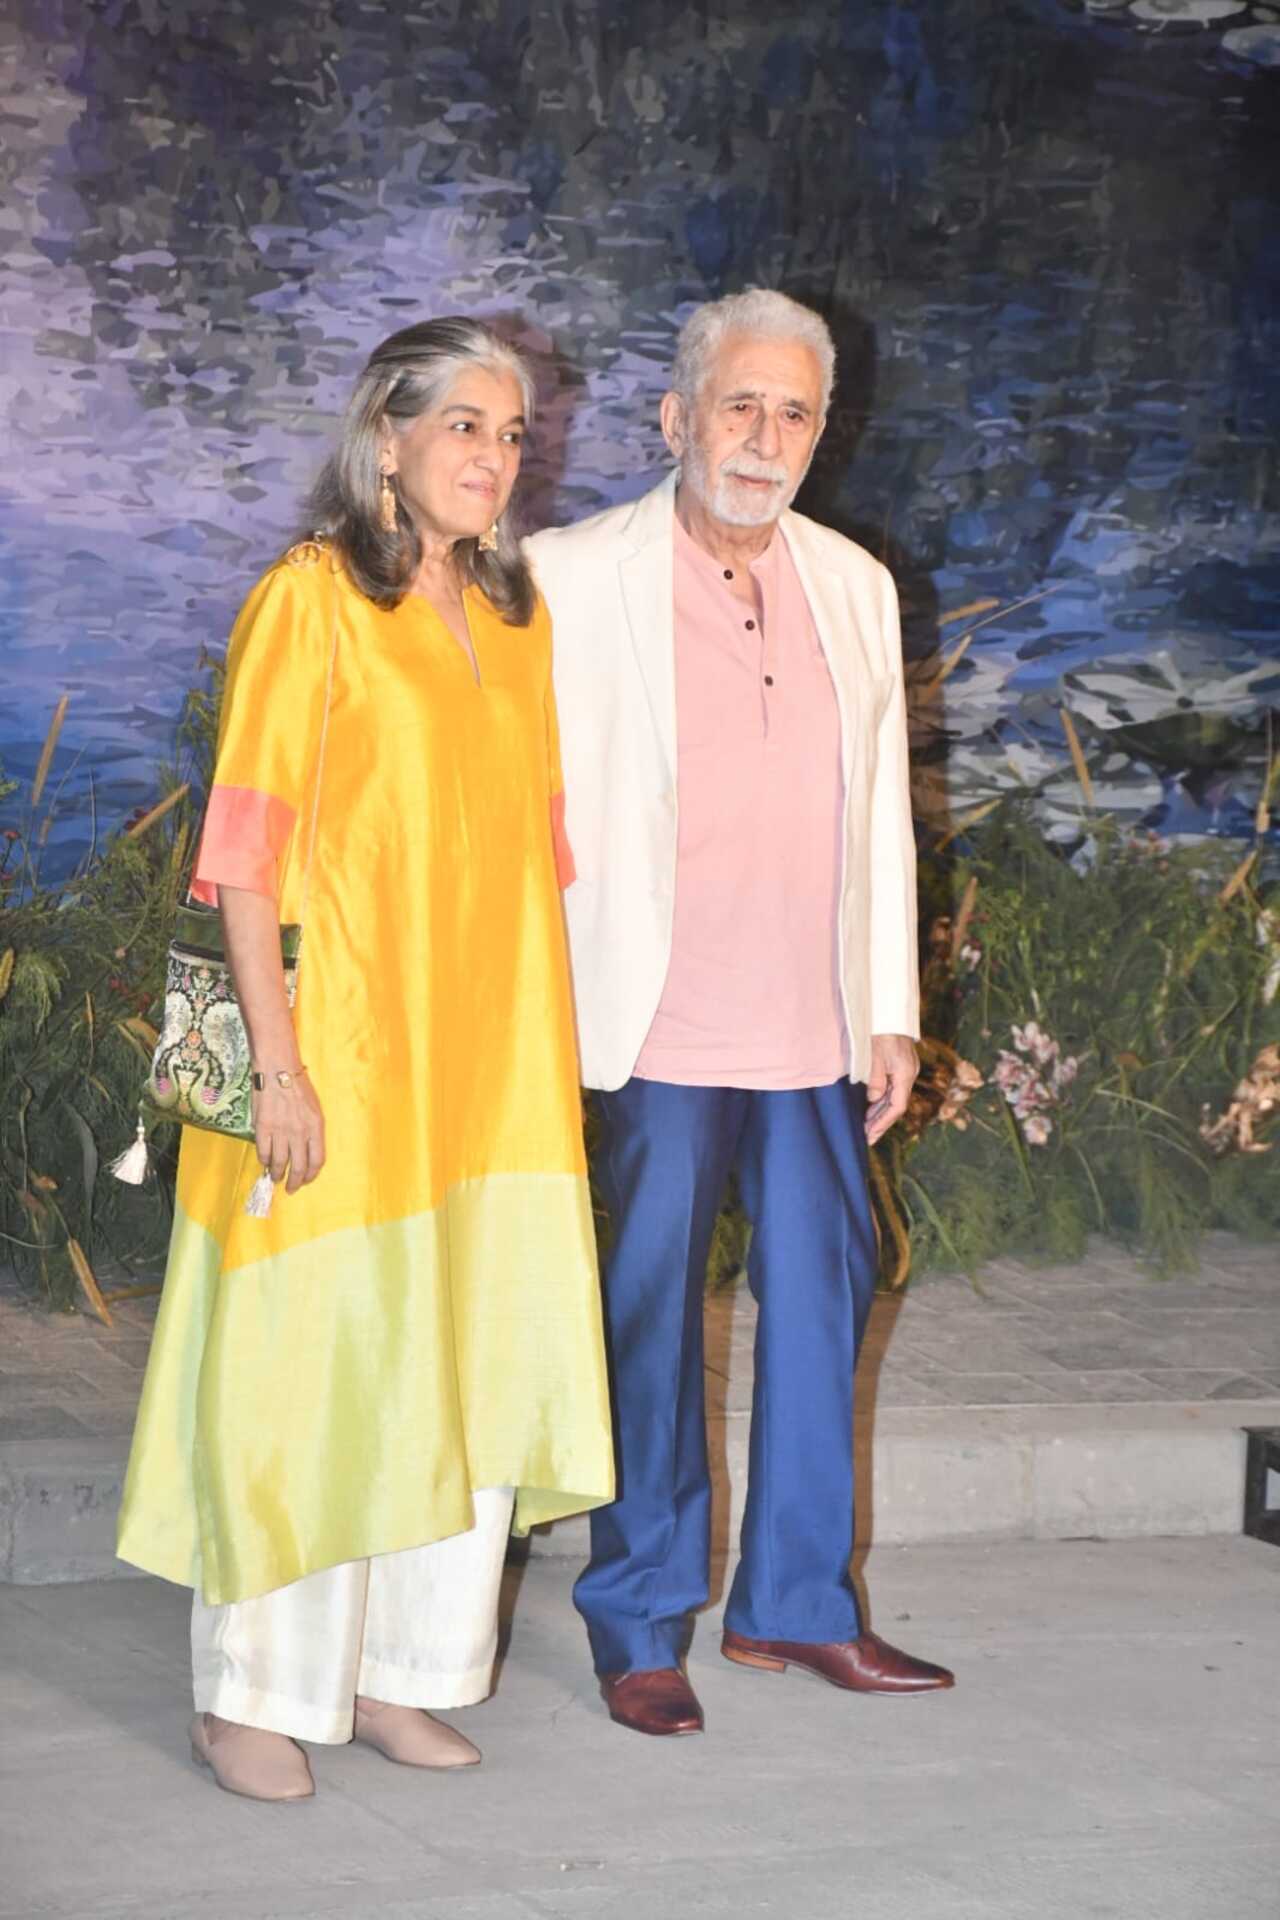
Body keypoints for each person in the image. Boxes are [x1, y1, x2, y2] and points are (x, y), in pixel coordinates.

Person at [117, 318, 614, 1799]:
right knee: (313, 1359)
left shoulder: (516, 617)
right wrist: (278, 1066)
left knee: (460, 1345)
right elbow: (246, 859)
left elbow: (535, 859)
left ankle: (408, 1671)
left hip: (488, 1063)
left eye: (513, 434)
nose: (494, 457)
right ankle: (255, 1691)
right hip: (337, 1048)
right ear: (384, 435)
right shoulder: (311, 599)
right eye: (464, 424)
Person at [526, 288, 953, 1738]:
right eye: (738, 406)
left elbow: (879, 816)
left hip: (813, 1029)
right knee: (650, 1326)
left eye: (794, 413)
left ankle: (796, 1609)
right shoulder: (570, 576)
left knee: (823, 1310)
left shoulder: (854, 584)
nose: (763, 439)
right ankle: (639, 1621)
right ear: (677, 417)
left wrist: (887, 1009)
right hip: (651, 1023)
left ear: (822, 433)